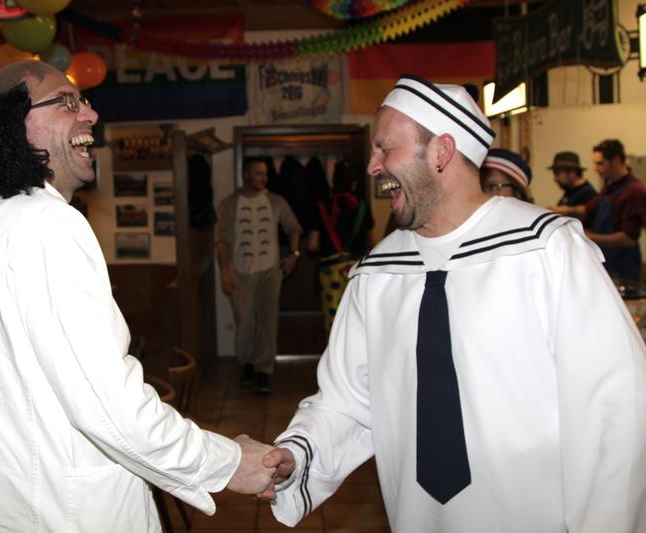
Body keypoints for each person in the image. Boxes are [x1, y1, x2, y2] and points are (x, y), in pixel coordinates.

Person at [260, 76, 646, 532]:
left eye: (385, 148)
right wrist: (297, 453)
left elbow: (617, 410)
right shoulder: (377, 274)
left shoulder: (548, 252)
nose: (373, 166)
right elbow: (346, 401)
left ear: (441, 151)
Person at [0, 61, 275, 532]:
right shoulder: (45, 224)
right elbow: (110, 406)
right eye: (66, 102)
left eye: (82, 100)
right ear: (12, 125)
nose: (90, 114)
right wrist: (229, 463)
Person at [215, 157, 303, 394]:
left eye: (265, 174)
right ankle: (246, 365)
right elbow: (221, 241)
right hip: (239, 271)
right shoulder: (228, 204)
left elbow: (294, 227)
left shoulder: (276, 201)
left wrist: (294, 254)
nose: (264, 178)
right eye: (258, 174)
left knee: (268, 321)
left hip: (270, 271)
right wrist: (224, 272)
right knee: (244, 321)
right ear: (245, 175)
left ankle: (264, 371)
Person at [551, 139, 646, 282]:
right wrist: (561, 210)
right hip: (607, 262)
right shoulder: (609, 187)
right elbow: (588, 208)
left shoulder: (634, 191)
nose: (595, 168)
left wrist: (587, 237)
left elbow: (627, 239)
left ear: (616, 160)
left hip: (623, 268)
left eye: (600, 163)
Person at [308, 159, 374, 333]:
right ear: (354, 183)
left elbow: (312, 245)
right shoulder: (363, 206)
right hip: (358, 270)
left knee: (334, 318)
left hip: (331, 272)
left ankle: (335, 348)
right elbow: (373, 243)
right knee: (359, 316)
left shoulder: (321, 206)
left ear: (333, 181)